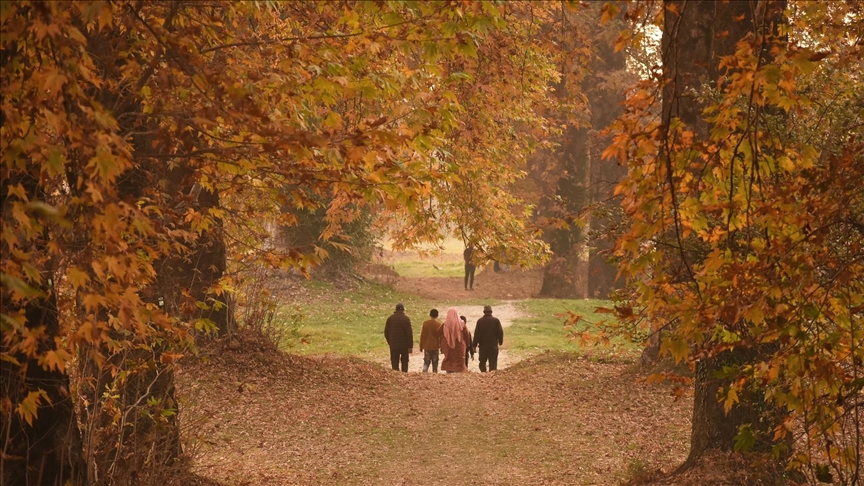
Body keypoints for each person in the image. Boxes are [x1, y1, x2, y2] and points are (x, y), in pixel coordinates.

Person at [437, 307, 471, 373]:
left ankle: (449, 372)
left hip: (448, 345)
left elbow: (438, 332)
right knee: (459, 360)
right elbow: (467, 334)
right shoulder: (462, 323)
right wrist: (467, 344)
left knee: (449, 359)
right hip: (460, 345)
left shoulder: (445, 324)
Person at [473, 305, 503, 372]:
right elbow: (500, 332)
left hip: (483, 346)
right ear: (491, 312)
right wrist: (500, 342)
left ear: (484, 312)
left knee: (482, 361)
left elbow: (476, 334)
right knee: (493, 361)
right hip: (493, 345)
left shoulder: (480, 321)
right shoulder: (496, 321)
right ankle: (491, 373)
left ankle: (483, 372)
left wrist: (474, 345)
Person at [384, 303, 413, 372]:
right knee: (404, 361)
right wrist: (410, 346)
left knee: (394, 362)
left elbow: (386, 332)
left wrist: (390, 342)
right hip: (404, 345)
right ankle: (404, 374)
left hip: (393, 345)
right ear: (403, 310)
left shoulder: (390, 319)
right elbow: (409, 333)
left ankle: (396, 375)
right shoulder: (406, 319)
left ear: (395, 309)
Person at [419, 309, 442, 373]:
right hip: (435, 346)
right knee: (435, 363)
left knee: (426, 362)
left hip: (427, 346)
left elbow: (423, 335)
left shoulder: (425, 323)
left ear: (430, 315)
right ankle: (435, 374)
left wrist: (421, 346)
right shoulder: (438, 324)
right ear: (437, 315)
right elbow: (440, 337)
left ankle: (424, 373)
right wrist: (441, 347)